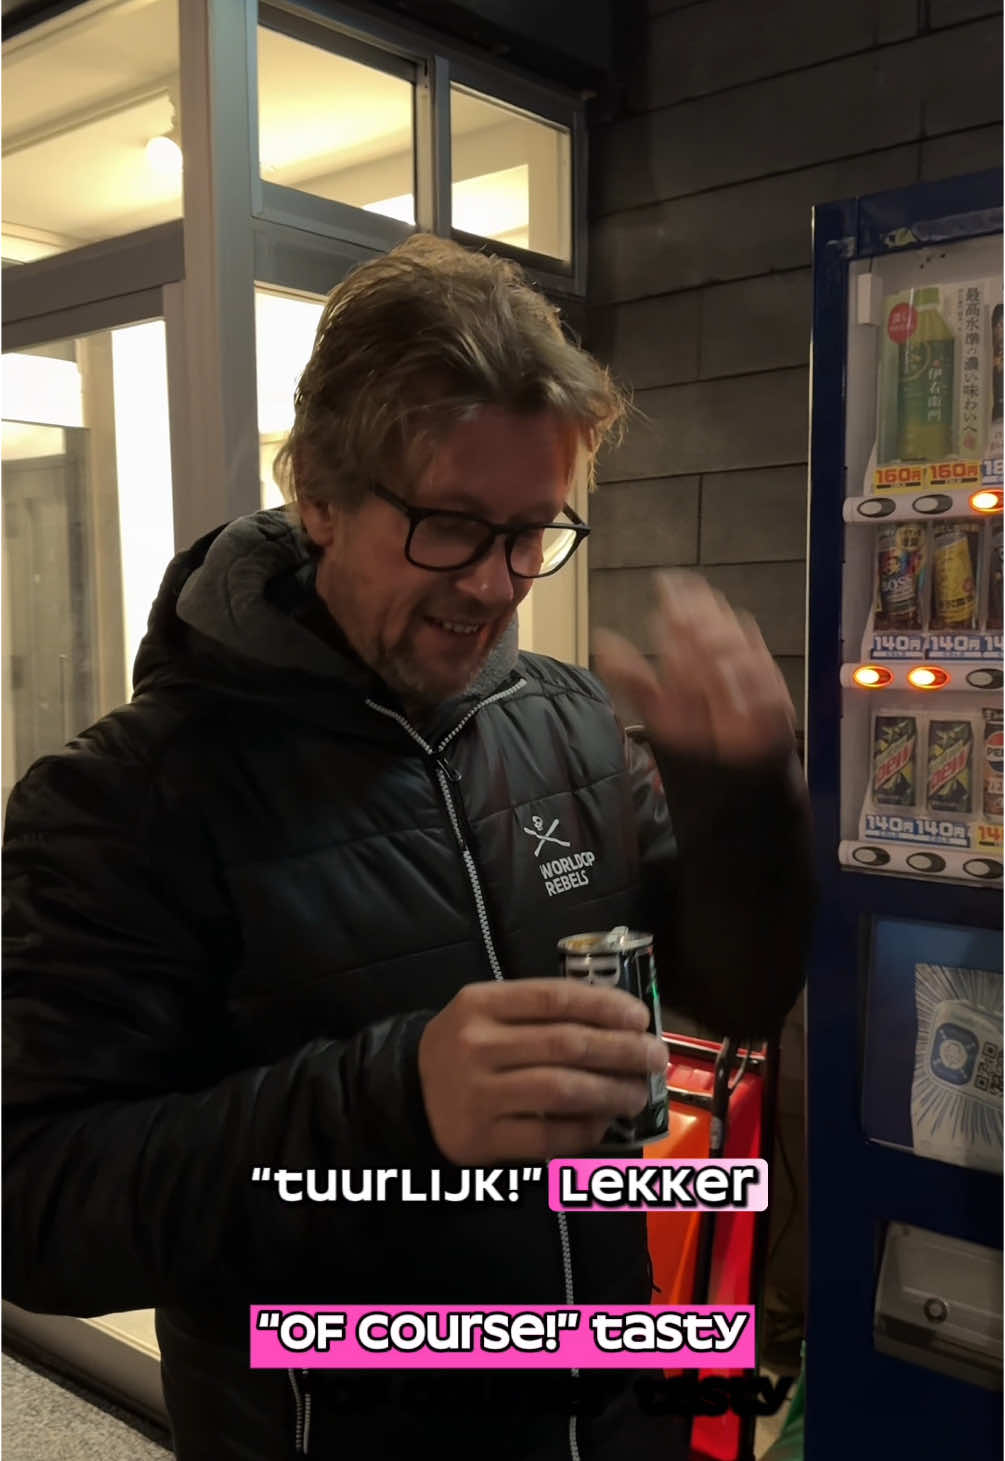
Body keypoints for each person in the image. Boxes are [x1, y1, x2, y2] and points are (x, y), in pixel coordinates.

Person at [3, 234, 813, 1461]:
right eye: (451, 525)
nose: (495, 585)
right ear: (317, 496)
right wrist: (389, 1099)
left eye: (536, 531)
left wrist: (740, 806)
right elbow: (36, 1204)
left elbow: (734, 992)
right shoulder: (122, 800)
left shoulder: (571, 718)